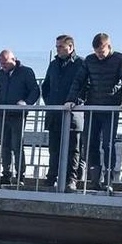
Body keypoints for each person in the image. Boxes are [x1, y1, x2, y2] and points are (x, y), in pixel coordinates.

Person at [65, 33, 122, 190]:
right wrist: (71, 99)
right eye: (96, 52)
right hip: (93, 107)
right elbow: (79, 80)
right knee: (91, 144)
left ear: (109, 46)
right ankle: (95, 180)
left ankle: (108, 181)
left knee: (108, 144)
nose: (99, 55)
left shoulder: (120, 59)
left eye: (101, 52)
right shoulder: (90, 60)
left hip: (110, 108)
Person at [41, 35, 85, 191]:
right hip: (55, 113)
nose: (58, 49)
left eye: (61, 46)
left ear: (70, 47)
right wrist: (51, 103)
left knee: (73, 149)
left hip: (73, 114)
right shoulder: (53, 65)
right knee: (53, 148)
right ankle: (51, 177)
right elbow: (45, 86)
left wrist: (76, 101)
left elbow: (85, 86)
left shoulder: (81, 63)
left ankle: (71, 179)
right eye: (57, 46)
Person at [0, 50, 41, 185]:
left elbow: (35, 90)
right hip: (3, 113)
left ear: (14, 59)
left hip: (18, 115)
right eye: (1, 64)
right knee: (5, 146)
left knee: (17, 145)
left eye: (5, 63)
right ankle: (6, 174)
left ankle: (20, 176)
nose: (3, 66)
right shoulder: (1, 74)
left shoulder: (26, 72)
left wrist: (26, 103)